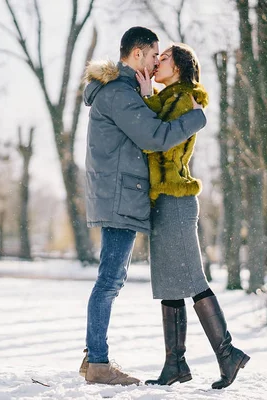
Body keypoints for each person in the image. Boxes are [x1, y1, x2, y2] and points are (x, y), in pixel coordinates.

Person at [80, 27, 207, 386]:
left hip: (120, 193)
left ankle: (93, 358)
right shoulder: (120, 94)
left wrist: (147, 95)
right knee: (110, 280)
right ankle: (99, 363)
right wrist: (196, 118)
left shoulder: (124, 91)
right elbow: (154, 137)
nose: (155, 63)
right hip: (121, 196)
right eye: (154, 55)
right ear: (137, 54)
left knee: (110, 279)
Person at [135, 43, 249, 389]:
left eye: (164, 58)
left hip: (177, 199)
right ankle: (176, 364)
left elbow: (157, 139)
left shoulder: (185, 98)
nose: (157, 63)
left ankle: (227, 353)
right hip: (165, 199)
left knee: (192, 279)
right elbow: (155, 125)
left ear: (180, 67)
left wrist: (144, 96)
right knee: (170, 283)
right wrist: (147, 93)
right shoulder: (170, 96)